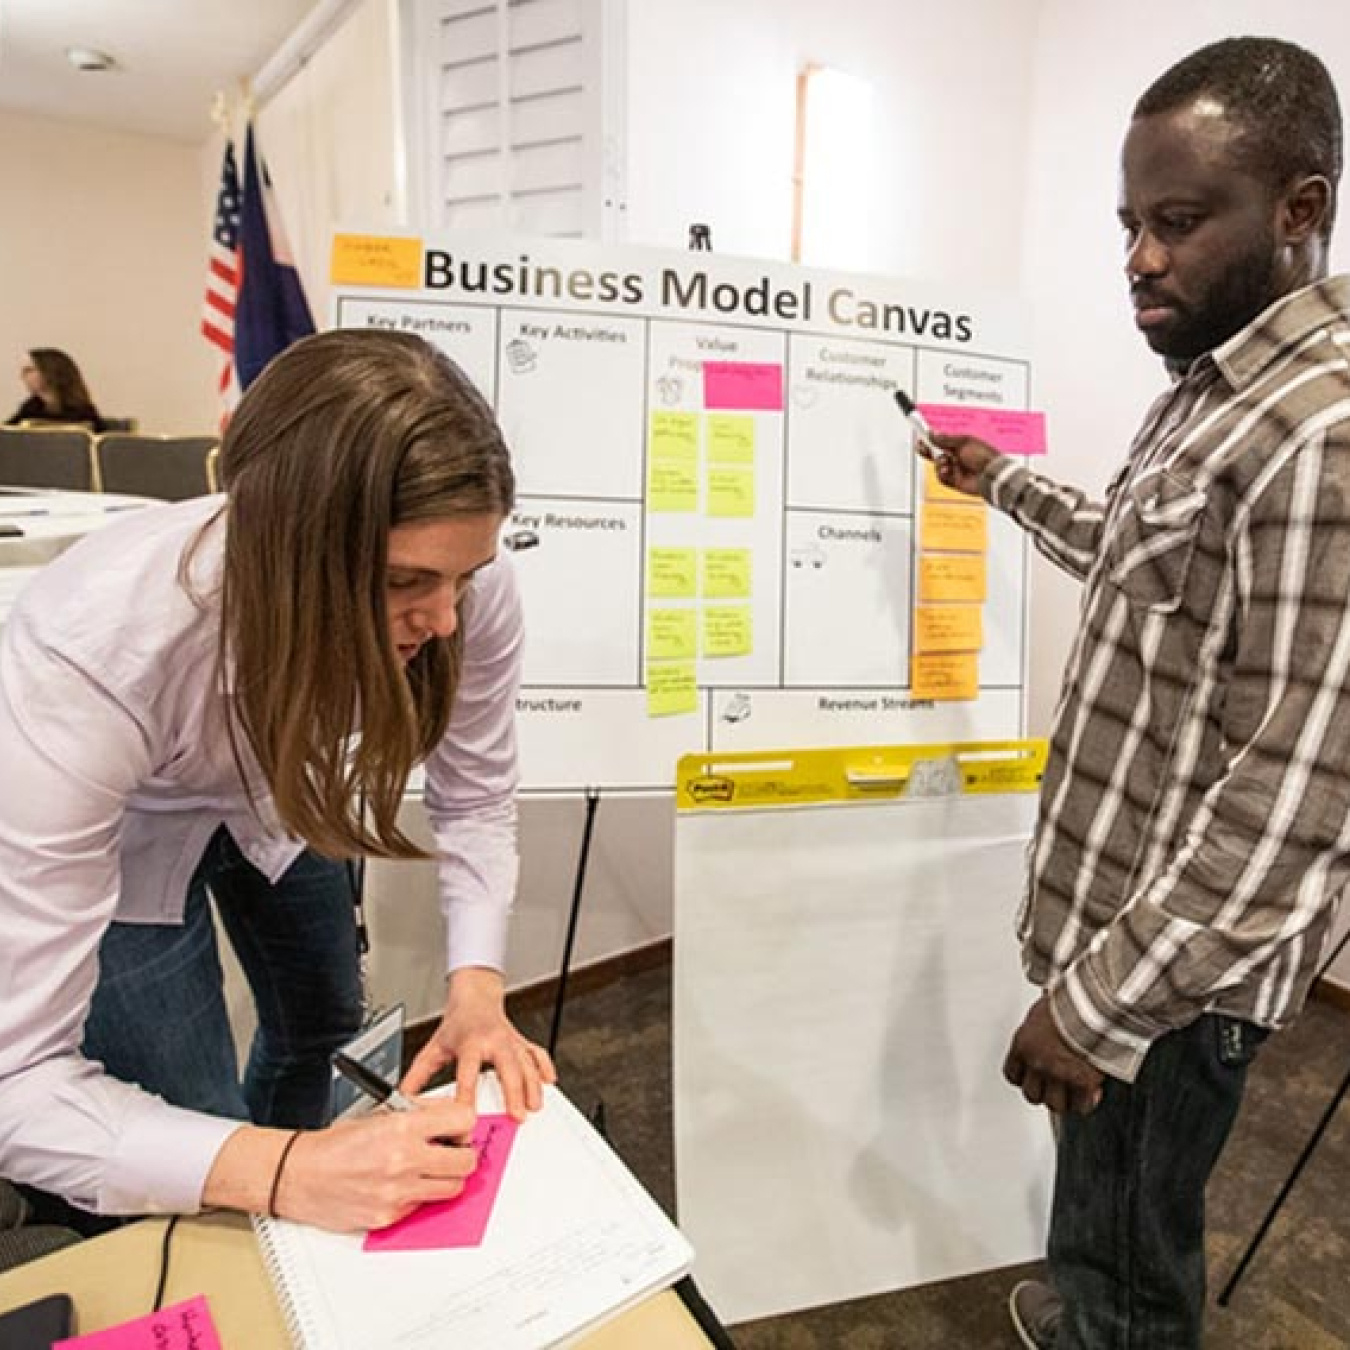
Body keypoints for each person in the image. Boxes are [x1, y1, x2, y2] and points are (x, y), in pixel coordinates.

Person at [918, 36, 1349, 1350]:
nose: (1138, 259)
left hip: (1169, 985)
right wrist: (994, 479)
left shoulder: (1322, 435)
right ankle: (1087, 1313)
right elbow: (1132, 553)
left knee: (1141, 1241)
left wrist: (1091, 1008)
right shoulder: (1207, 393)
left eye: (1175, 222)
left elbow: (1295, 799)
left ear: (1297, 211)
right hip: (1107, 935)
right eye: (1127, 224)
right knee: (1097, 1211)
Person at [0, 328, 555, 1232]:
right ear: (282, 550)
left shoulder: (462, 589)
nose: (446, 618)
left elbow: (478, 793)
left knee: (327, 1026)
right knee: (189, 1112)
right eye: (404, 582)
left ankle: (296, 1212)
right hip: (131, 835)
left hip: (283, 798)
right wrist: (277, 1168)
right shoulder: (89, 652)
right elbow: (19, 1083)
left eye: (466, 577)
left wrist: (477, 986)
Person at [8, 348, 106, 431]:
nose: (22, 376)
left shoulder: (83, 412)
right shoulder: (31, 407)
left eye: (28, 370)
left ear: (49, 373)